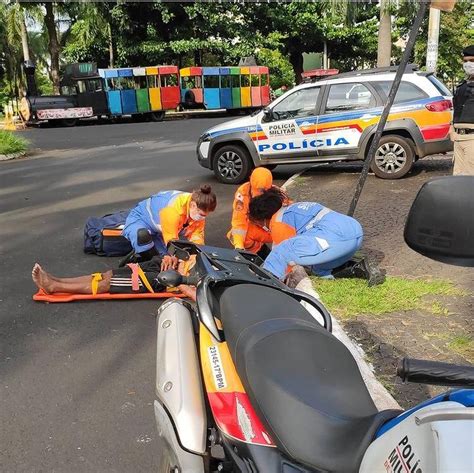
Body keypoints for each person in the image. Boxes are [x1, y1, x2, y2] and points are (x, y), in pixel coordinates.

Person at [249, 188, 379, 284]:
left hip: (335, 240)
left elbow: (284, 259)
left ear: (263, 218)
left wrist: (272, 273)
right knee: (317, 269)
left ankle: (264, 283)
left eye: (258, 224)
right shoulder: (293, 209)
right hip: (353, 234)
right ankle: (357, 268)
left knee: (281, 251)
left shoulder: (278, 222)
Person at [32, 255, 197, 300]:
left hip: (169, 279)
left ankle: (55, 287)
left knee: (108, 283)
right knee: (107, 275)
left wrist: (180, 276)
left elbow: (194, 293)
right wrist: (173, 258)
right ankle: (56, 281)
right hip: (167, 266)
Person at [122, 185, 217, 261]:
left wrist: (198, 254)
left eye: (205, 215)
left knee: (169, 259)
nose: (202, 217)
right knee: (146, 242)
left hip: (160, 230)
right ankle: (143, 258)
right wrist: (174, 257)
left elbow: (197, 235)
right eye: (201, 214)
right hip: (140, 220)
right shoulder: (173, 211)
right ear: (193, 205)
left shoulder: (198, 203)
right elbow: (172, 243)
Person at [227, 167, 288, 258]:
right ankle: (255, 256)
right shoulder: (242, 194)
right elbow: (239, 222)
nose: (259, 195)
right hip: (260, 229)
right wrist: (239, 247)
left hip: (275, 230)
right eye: (257, 191)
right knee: (241, 235)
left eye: (262, 192)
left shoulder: (278, 195)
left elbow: (289, 217)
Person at [450, 45, 474, 175]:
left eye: (472, 61)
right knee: (458, 178)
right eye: (465, 61)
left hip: (472, 138)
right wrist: (451, 129)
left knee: (470, 181)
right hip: (459, 137)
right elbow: (456, 108)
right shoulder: (463, 85)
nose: (468, 64)